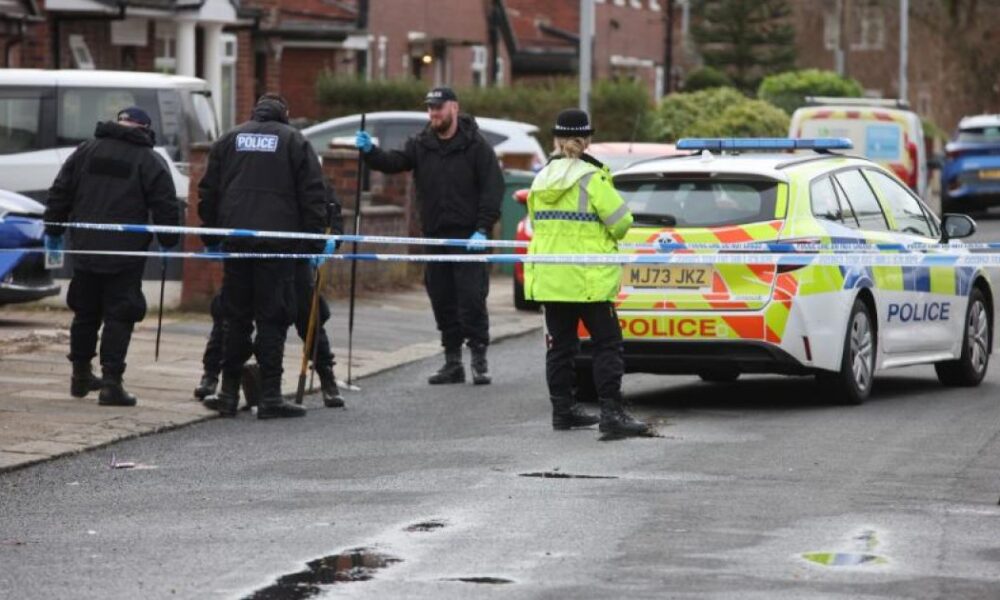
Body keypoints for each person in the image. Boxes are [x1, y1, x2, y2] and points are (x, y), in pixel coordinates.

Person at [354, 86, 503, 386]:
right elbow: (395, 162)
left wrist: (483, 228)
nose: (433, 113)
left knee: (472, 298)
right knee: (442, 297)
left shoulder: (476, 146)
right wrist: (370, 151)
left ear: (454, 108)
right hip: (434, 235)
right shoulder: (422, 144)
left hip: (467, 237)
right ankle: (452, 362)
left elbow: (492, 188)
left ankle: (479, 358)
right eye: (430, 108)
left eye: (439, 107)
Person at [198, 93, 328, 419]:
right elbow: (313, 195)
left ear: (254, 112)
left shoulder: (229, 139)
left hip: (237, 243)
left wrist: (211, 236)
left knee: (236, 318)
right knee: (273, 317)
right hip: (277, 245)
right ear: (285, 113)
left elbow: (208, 191)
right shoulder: (294, 141)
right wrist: (312, 244)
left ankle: (228, 394)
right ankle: (270, 396)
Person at [524, 108, 651, 438]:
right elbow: (622, 223)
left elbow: (537, 224)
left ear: (556, 139)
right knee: (607, 344)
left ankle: (562, 412)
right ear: (586, 139)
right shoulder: (593, 178)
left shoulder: (540, 178)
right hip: (590, 278)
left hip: (552, 277)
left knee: (560, 348)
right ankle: (611, 414)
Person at [43, 106, 179, 407]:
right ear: (144, 128)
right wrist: (169, 241)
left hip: (87, 247)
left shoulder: (85, 151)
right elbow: (166, 205)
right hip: (125, 252)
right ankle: (111, 383)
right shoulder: (149, 159)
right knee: (121, 313)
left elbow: (60, 191)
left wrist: (52, 229)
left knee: (85, 311)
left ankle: (80, 376)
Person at [194, 187, 345, 409]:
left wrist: (329, 241)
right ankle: (211, 375)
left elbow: (331, 214)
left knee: (308, 316)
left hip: (296, 259)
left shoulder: (310, 176)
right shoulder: (258, 170)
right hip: (253, 253)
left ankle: (327, 379)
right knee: (229, 313)